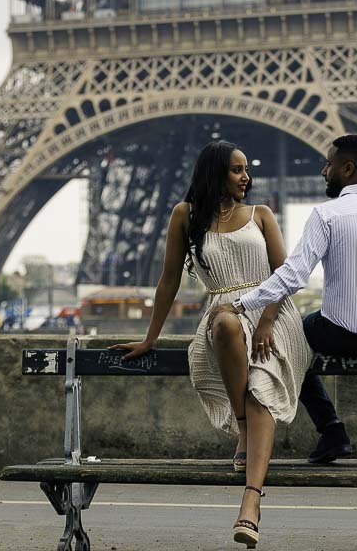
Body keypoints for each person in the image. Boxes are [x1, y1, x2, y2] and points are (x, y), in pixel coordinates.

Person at [110, 140, 312, 548]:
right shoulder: (185, 216)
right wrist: (152, 337)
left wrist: (266, 322)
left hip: (271, 314)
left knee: (261, 386)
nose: (246, 177)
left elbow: (286, 275)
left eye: (246, 169)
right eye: (237, 170)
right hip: (224, 315)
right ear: (215, 172)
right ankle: (243, 428)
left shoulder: (261, 214)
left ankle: (250, 503)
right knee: (223, 322)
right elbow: (168, 280)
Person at [210, 134, 357, 464]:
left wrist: (239, 304)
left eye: (329, 165)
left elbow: (293, 276)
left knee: (291, 336)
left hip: (337, 334)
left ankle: (331, 429)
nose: (324, 171)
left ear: (347, 169)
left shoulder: (327, 215)